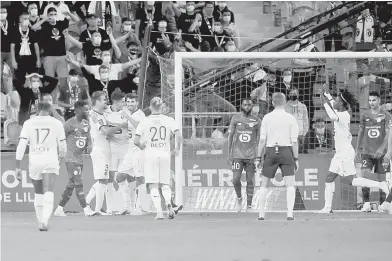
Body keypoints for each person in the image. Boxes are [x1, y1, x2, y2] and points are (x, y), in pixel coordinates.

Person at [317, 88, 391, 214]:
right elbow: (334, 109)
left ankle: (382, 185)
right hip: (339, 153)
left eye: (337, 100)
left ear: (342, 103)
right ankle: (327, 208)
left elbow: (332, 115)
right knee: (329, 178)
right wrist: (327, 94)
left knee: (351, 181)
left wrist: (323, 100)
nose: (334, 101)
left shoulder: (344, 115)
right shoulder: (340, 111)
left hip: (345, 153)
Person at [14, 102, 67, 231]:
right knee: (48, 190)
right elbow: (63, 146)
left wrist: (17, 166)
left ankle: (39, 220)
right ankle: (44, 221)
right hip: (50, 159)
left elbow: (21, 145)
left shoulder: (28, 123)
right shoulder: (57, 123)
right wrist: (60, 158)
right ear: (50, 110)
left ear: (36, 110)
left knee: (38, 192)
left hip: (35, 159)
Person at [134, 97, 183, 220]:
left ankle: (159, 212)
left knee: (152, 185)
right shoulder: (169, 120)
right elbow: (179, 135)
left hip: (151, 154)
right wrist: (177, 148)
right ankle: (169, 205)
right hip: (165, 154)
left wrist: (141, 145)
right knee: (164, 184)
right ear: (162, 107)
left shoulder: (144, 121)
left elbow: (136, 140)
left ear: (150, 107)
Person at [257, 93, 299, 221]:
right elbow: (294, 141)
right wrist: (296, 158)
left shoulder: (266, 118)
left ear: (272, 103)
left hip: (270, 150)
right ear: (285, 102)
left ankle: (261, 214)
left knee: (264, 183)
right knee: (290, 184)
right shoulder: (290, 118)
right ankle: (290, 214)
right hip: (286, 150)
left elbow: (262, 140)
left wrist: (258, 158)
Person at [54, 101, 96, 217]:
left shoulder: (87, 123)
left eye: (88, 109)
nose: (87, 111)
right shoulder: (69, 124)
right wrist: (59, 153)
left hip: (80, 158)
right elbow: (60, 138)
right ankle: (86, 209)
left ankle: (59, 208)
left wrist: (90, 144)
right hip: (70, 157)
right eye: (85, 110)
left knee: (71, 184)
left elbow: (88, 137)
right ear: (77, 110)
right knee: (79, 182)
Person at [355, 91, 392, 212]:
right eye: (370, 100)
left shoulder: (386, 115)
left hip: (382, 154)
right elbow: (361, 132)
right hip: (367, 152)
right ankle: (366, 204)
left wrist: (382, 149)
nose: (371, 103)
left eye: (374, 100)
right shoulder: (365, 114)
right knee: (364, 177)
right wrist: (357, 149)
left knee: (382, 181)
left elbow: (388, 134)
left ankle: (383, 206)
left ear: (379, 100)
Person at [116, 93, 147, 215]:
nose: (129, 104)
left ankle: (141, 207)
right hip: (130, 151)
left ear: (137, 103)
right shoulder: (129, 114)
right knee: (119, 176)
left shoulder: (140, 115)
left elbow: (140, 127)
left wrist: (127, 116)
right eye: (128, 102)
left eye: (132, 102)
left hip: (139, 150)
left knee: (140, 178)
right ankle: (127, 207)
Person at [228, 99, 261, 212]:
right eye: (245, 104)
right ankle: (239, 198)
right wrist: (229, 154)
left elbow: (260, 139)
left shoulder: (257, 120)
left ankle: (249, 205)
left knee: (250, 180)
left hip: (251, 156)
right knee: (235, 179)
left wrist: (259, 156)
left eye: (249, 105)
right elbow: (230, 137)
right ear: (241, 106)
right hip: (237, 155)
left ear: (252, 107)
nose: (247, 107)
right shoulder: (235, 119)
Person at [104, 89, 129, 214]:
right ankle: (111, 207)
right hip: (112, 149)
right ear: (115, 101)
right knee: (110, 178)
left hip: (125, 148)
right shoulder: (105, 112)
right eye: (122, 102)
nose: (124, 104)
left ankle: (125, 205)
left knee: (121, 177)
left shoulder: (126, 113)